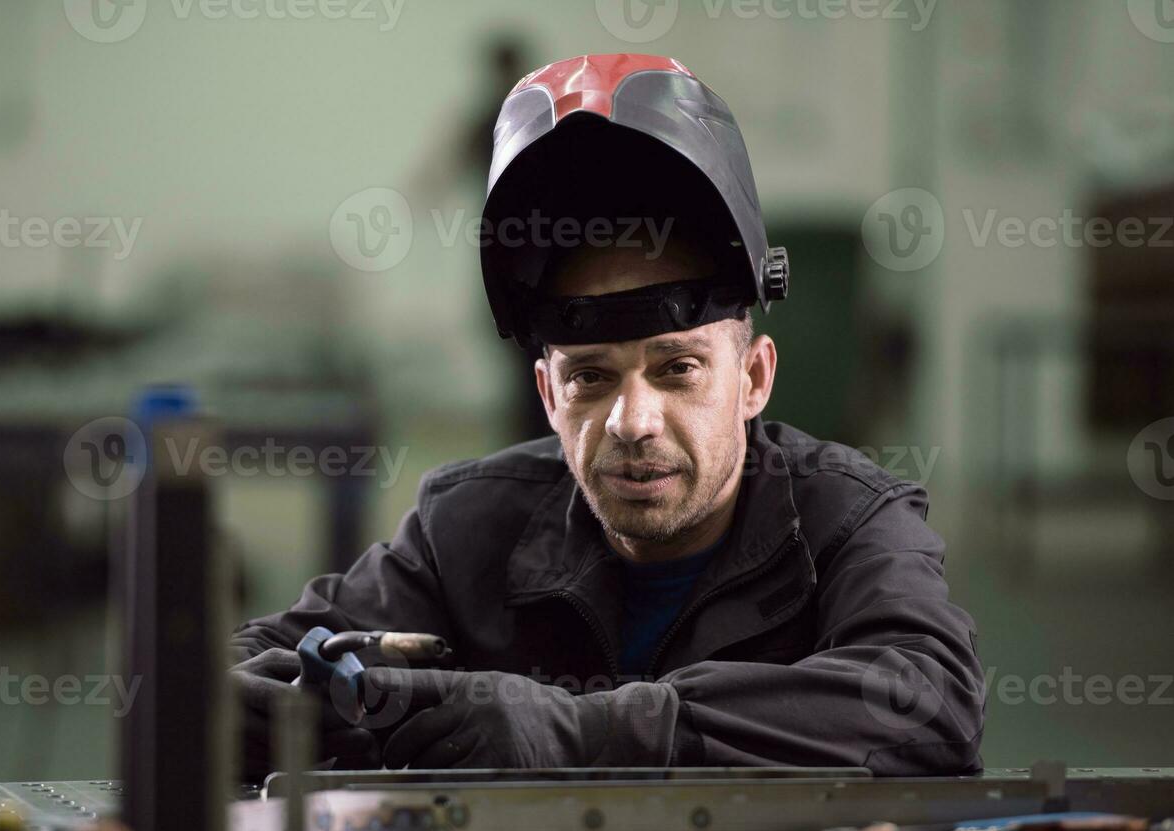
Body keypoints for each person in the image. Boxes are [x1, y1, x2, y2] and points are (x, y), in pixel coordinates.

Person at [231, 54, 985, 780]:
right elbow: (227, 678)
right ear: (548, 396)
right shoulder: (467, 528)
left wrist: (586, 731)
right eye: (590, 376)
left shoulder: (846, 520)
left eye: (676, 369)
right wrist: (294, 713)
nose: (632, 421)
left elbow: (930, 703)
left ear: (753, 378)